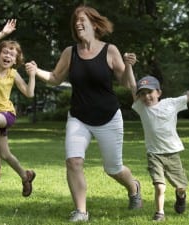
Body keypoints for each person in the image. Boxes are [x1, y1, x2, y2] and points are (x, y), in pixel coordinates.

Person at [25, 5, 142, 222]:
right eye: (75, 21)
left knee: (113, 168)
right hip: (79, 117)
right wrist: (35, 71)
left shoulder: (110, 50)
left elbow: (126, 83)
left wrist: (128, 66)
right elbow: (55, 78)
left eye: (82, 20)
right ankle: (81, 211)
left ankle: (134, 186)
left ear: (94, 24)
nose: (78, 24)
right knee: (73, 161)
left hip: (108, 117)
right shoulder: (70, 52)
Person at [131, 72, 189, 221]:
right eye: (142, 93)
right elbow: (131, 85)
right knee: (159, 186)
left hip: (172, 153)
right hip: (154, 154)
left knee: (181, 187)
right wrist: (128, 66)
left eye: (149, 92)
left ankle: (181, 197)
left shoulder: (170, 103)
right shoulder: (141, 107)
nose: (146, 96)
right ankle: (159, 213)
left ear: (159, 92)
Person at [0, 19, 36, 197]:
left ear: (15, 61)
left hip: (6, 114)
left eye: (12, 55)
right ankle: (25, 175)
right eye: (5, 52)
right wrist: (4, 33)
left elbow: (29, 93)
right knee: (6, 153)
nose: (8, 56)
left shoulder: (13, 74)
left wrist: (32, 75)